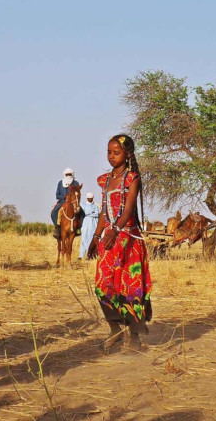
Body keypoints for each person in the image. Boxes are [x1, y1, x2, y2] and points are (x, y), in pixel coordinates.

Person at [87, 134, 152, 351]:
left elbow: (129, 209)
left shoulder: (131, 178)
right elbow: (105, 212)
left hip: (128, 241)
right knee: (103, 285)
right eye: (109, 152)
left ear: (128, 154)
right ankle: (115, 328)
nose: (111, 157)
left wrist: (115, 230)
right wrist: (96, 238)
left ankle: (134, 338)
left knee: (130, 289)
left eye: (116, 153)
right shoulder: (105, 181)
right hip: (109, 240)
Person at [51, 168, 81, 240]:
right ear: (64, 175)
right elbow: (57, 195)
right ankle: (57, 228)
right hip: (62, 202)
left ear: (72, 174)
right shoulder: (60, 183)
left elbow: (78, 194)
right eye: (67, 174)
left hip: (73, 203)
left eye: (70, 174)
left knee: (82, 212)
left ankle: (78, 228)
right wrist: (64, 197)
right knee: (54, 212)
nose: (68, 176)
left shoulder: (76, 183)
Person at [79, 192, 100, 259]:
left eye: (91, 198)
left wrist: (88, 214)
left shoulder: (95, 206)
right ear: (87, 198)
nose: (90, 199)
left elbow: (97, 214)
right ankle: (81, 255)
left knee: (92, 238)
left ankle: (90, 254)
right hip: (86, 223)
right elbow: (83, 213)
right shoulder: (83, 205)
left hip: (94, 224)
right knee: (84, 238)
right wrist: (91, 213)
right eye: (89, 198)